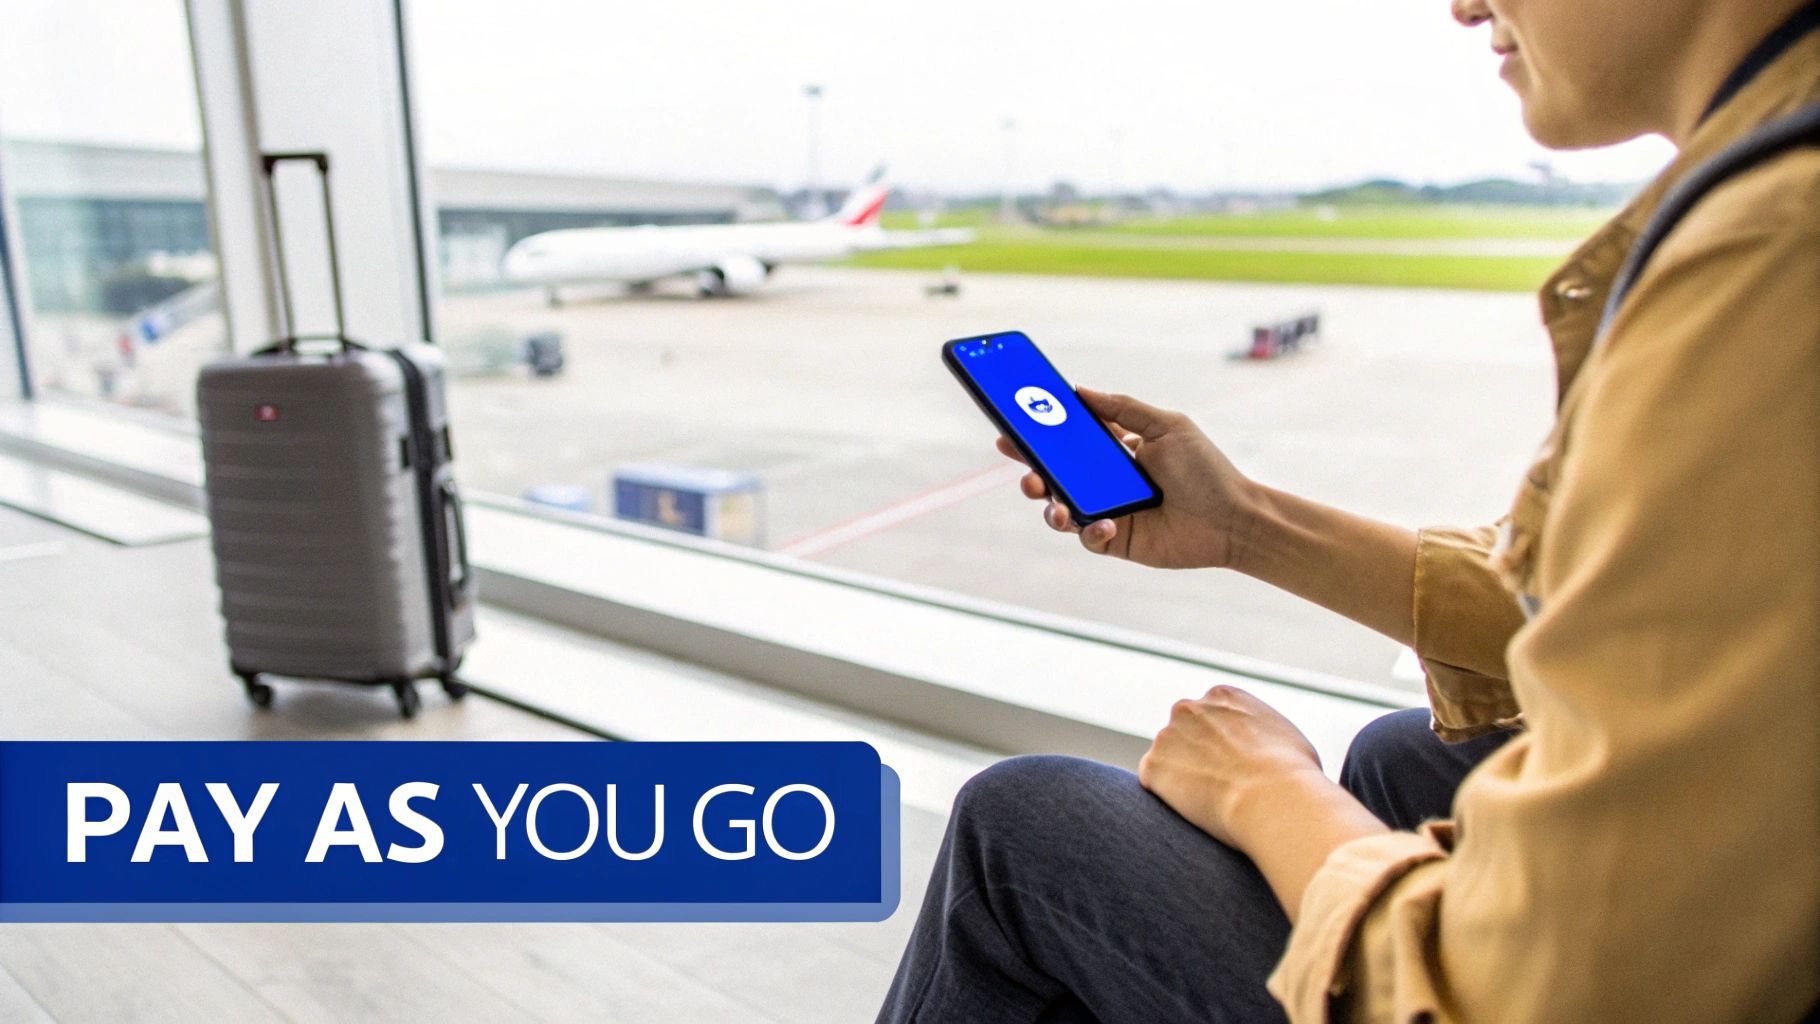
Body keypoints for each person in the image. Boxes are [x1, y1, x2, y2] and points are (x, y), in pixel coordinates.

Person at [877, 0, 1820, 1019]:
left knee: (1022, 824)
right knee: (1404, 754)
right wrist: (1243, 523)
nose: (1463, 5)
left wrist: (1264, 790)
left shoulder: (1774, 253)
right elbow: (1621, 612)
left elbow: (1532, 991)